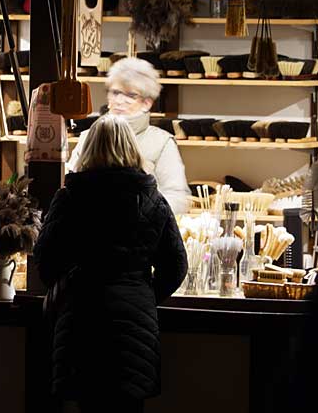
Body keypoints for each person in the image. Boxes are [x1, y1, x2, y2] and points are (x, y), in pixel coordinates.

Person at [34, 115, 188, 413]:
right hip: (134, 329)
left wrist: (70, 283)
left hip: (82, 319)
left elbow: (45, 262)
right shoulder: (154, 201)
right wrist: (141, 295)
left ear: (88, 148)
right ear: (132, 148)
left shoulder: (68, 199)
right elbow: (176, 268)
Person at [66, 58, 189, 214]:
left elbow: (176, 196)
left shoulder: (161, 142)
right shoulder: (89, 137)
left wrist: (139, 216)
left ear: (147, 103)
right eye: (116, 92)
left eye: (131, 95)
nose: (120, 100)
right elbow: (69, 184)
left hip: (143, 235)